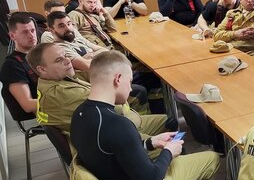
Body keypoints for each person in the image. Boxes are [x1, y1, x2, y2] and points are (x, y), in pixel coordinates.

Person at [70, 50, 237, 180]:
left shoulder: (80, 114)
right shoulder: (117, 124)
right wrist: (168, 152)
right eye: (130, 81)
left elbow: (110, 153)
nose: (130, 88)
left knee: (211, 159)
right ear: (117, 79)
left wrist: (150, 143)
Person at [27, 42, 167, 137]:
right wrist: (118, 90)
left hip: (118, 125)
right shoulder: (60, 93)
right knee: (171, 135)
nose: (67, 61)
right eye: (59, 60)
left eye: (66, 56)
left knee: (169, 121)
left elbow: (96, 75)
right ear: (42, 69)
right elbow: (117, 107)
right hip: (114, 136)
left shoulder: (58, 79)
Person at [0, 13, 39, 120]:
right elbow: (28, 105)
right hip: (40, 114)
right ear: (12, 36)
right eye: (25, 32)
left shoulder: (41, 55)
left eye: (32, 30)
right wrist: (62, 100)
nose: (31, 35)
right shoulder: (11, 65)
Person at [44, 11, 108, 72]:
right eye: (61, 26)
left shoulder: (77, 39)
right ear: (52, 30)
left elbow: (105, 50)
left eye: (69, 24)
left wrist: (90, 55)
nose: (68, 28)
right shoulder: (60, 48)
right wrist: (97, 54)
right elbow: (88, 66)